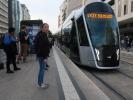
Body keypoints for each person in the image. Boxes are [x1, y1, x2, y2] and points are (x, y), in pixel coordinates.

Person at [34, 23, 50, 88]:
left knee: (42, 69)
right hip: (42, 56)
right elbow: (42, 47)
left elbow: (36, 45)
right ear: (42, 28)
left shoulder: (40, 34)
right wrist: (45, 57)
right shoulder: (42, 35)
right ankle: (40, 83)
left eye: (48, 27)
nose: (47, 29)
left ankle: (40, 82)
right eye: (45, 27)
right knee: (42, 70)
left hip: (40, 55)